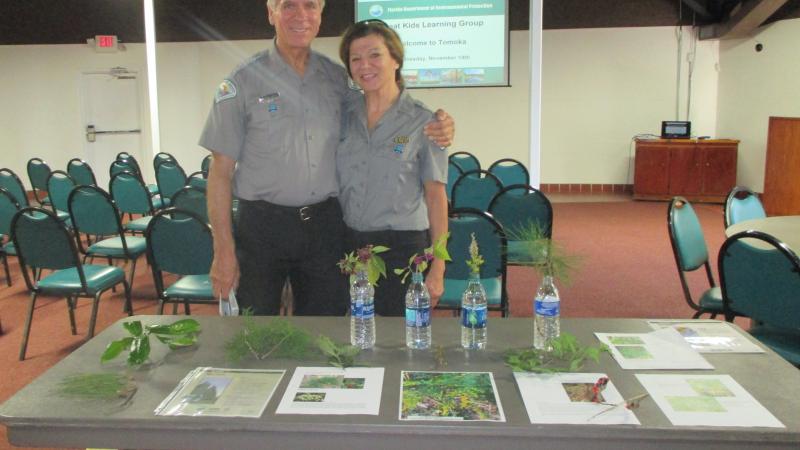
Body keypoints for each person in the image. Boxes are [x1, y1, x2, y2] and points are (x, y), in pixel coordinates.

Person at [199, 0, 453, 316]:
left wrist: (440, 123)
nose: (301, 15)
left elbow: (382, 100)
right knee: (254, 327)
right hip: (262, 229)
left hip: (323, 230)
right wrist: (222, 249)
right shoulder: (242, 81)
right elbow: (220, 172)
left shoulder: (336, 80)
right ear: (270, 13)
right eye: (288, 5)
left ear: (320, 15)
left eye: (310, 5)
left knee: (325, 328)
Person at [337, 20, 449, 316]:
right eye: (355, 59)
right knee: (353, 335)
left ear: (396, 60)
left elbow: (436, 198)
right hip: (349, 243)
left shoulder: (425, 122)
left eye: (375, 55)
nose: (365, 66)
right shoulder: (343, 117)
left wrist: (438, 267)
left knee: (400, 342)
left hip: (403, 246)